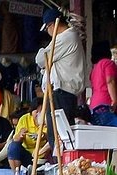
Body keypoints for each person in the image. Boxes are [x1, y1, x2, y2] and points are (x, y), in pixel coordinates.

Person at [35, 8, 86, 145]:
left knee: (59, 136)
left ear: (52, 25)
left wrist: (42, 50)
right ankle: (61, 164)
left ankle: (62, 164)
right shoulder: (65, 38)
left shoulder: (66, 37)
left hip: (62, 92)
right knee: (57, 135)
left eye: (47, 29)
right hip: (61, 92)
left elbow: (41, 59)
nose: (48, 32)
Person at [7, 97, 50, 171]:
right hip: (27, 154)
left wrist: (42, 136)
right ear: (31, 112)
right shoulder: (24, 119)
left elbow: (51, 137)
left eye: (41, 111)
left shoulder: (48, 119)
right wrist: (20, 135)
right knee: (13, 147)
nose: (38, 114)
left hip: (43, 155)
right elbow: (15, 139)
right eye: (36, 111)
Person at [89, 41, 117, 127]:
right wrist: (114, 100)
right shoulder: (108, 63)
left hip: (94, 106)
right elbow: (110, 81)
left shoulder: (94, 68)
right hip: (106, 104)